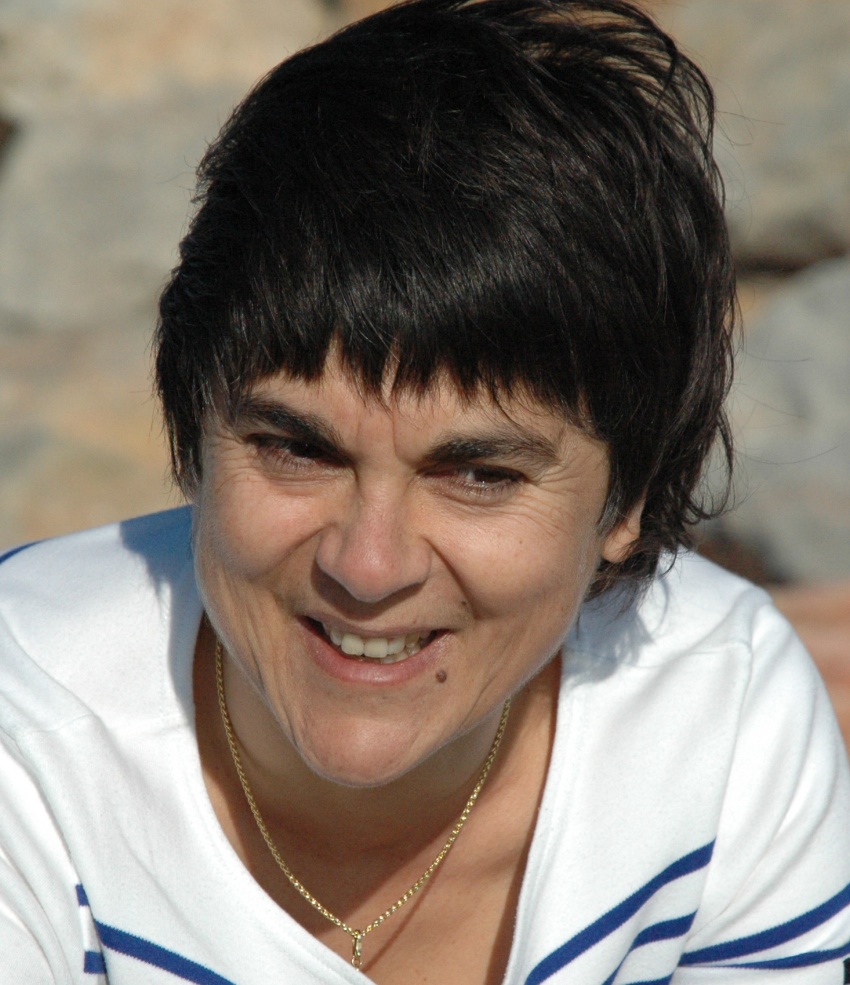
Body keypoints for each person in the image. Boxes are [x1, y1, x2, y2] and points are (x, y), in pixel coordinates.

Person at [1, 0, 849, 981]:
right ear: (193, 438)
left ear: (630, 498)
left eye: (479, 475)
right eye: (297, 449)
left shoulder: (721, 724)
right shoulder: (30, 734)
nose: (369, 566)